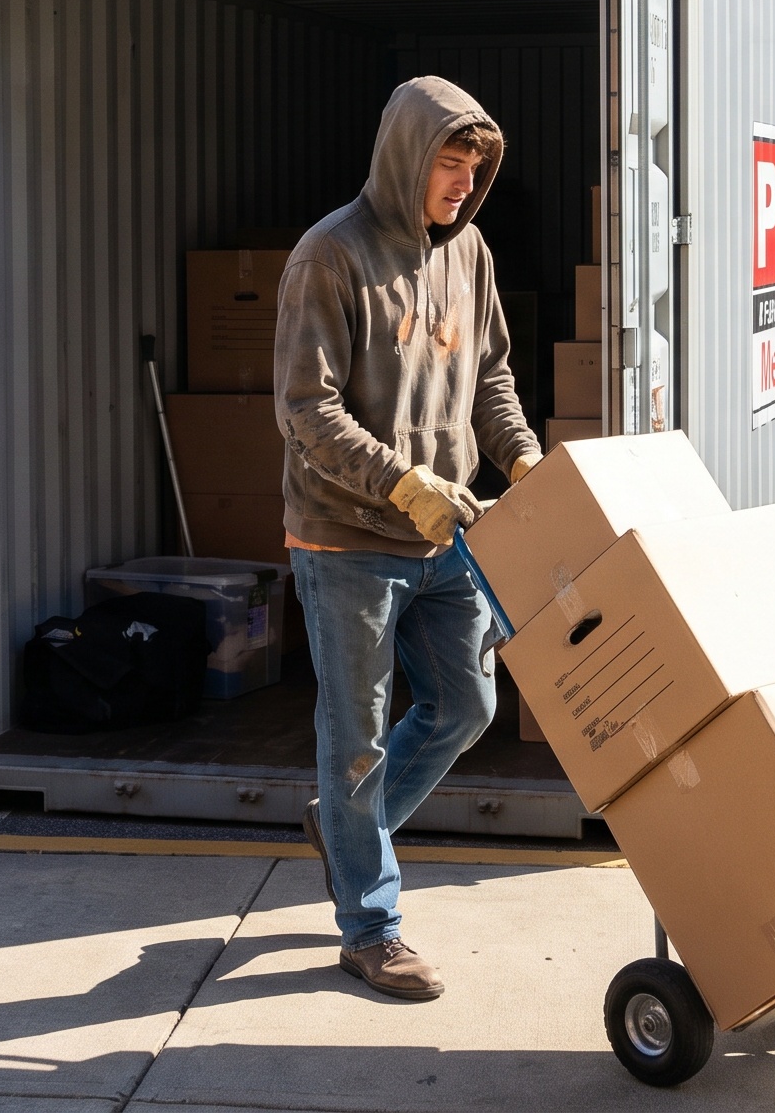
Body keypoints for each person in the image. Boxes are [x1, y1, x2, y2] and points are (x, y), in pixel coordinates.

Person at [276, 76, 540, 1003]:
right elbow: (306, 410)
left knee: (467, 706)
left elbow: (493, 376)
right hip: (348, 538)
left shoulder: (469, 251)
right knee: (355, 740)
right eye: (449, 161)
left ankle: (349, 832)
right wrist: (397, 481)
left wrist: (522, 461)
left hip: (447, 536)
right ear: (404, 155)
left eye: (475, 167)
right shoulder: (329, 256)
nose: (464, 182)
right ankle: (371, 926)